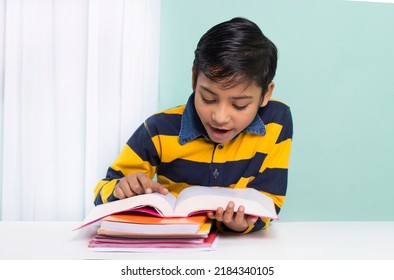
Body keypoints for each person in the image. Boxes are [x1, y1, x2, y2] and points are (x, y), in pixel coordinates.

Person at [93, 17, 293, 234]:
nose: (220, 117)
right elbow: (102, 192)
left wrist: (244, 224)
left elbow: (270, 201)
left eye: (239, 105)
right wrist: (121, 189)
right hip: (172, 245)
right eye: (208, 99)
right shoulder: (159, 129)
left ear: (266, 94)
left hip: (239, 252)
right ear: (194, 78)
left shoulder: (276, 121)